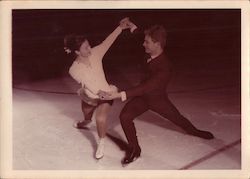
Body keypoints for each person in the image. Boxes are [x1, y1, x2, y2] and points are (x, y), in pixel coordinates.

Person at [98, 21, 215, 165]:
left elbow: (146, 87)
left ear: (157, 44)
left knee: (178, 118)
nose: (143, 44)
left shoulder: (165, 67)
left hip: (157, 99)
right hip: (142, 98)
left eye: (146, 42)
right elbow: (139, 36)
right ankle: (135, 149)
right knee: (125, 116)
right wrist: (132, 26)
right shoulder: (150, 48)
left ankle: (195, 131)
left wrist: (118, 94)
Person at [63, 17, 133, 159]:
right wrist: (97, 91)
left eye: (89, 45)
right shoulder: (73, 70)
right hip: (89, 96)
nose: (90, 49)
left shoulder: (95, 53)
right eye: (86, 48)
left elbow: (107, 42)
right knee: (87, 118)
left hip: (106, 94)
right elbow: (86, 82)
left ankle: (101, 143)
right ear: (77, 52)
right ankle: (84, 122)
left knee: (100, 119)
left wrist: (120, 28)